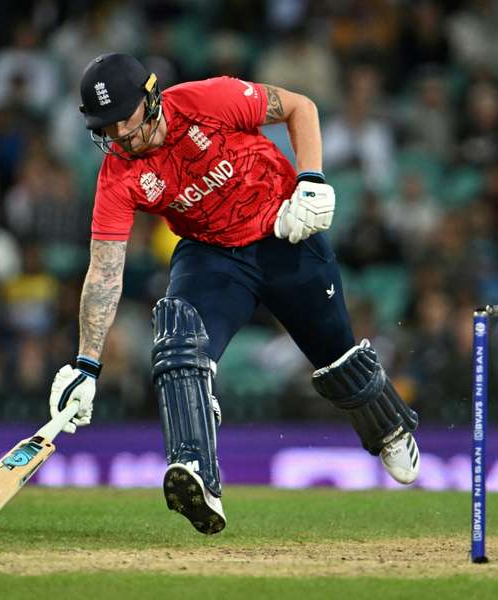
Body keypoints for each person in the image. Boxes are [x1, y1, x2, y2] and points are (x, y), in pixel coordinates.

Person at [47, 53, 421, 535]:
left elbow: (299, 107)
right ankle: (197, 473)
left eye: (124, 120)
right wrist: (87, 364)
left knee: (337, 356)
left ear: (151, 96)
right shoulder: (117, 176)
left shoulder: (207, 100)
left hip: (285, 233)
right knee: (179, 341)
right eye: (107, 127)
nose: (118, 136)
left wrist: (310, 180)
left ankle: (389, 426)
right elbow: (104, 271)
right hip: (213, 255)